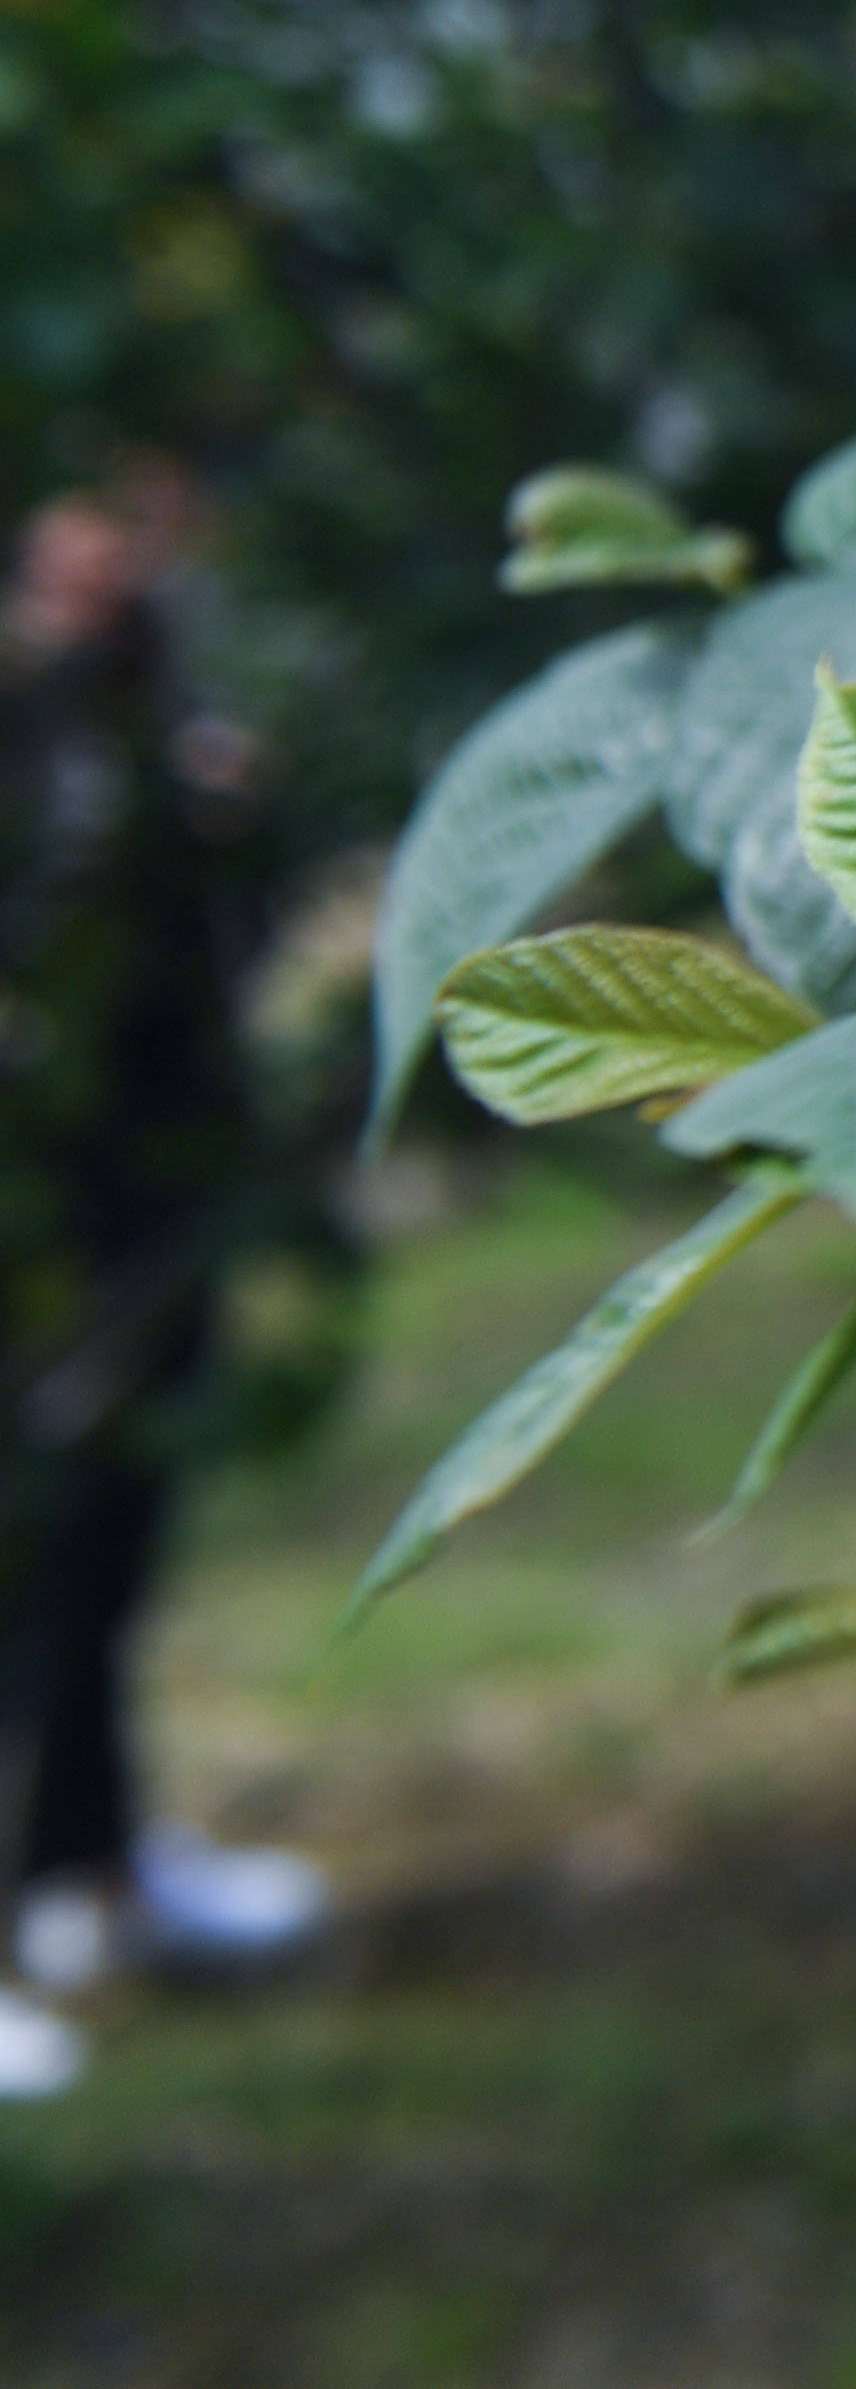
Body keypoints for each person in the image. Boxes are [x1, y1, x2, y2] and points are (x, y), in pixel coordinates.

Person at [0, 490, 330, 2092]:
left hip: (151, 1142)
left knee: (109, 1529)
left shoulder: (153, 655)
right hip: (32, 1163)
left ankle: (91, 1869)